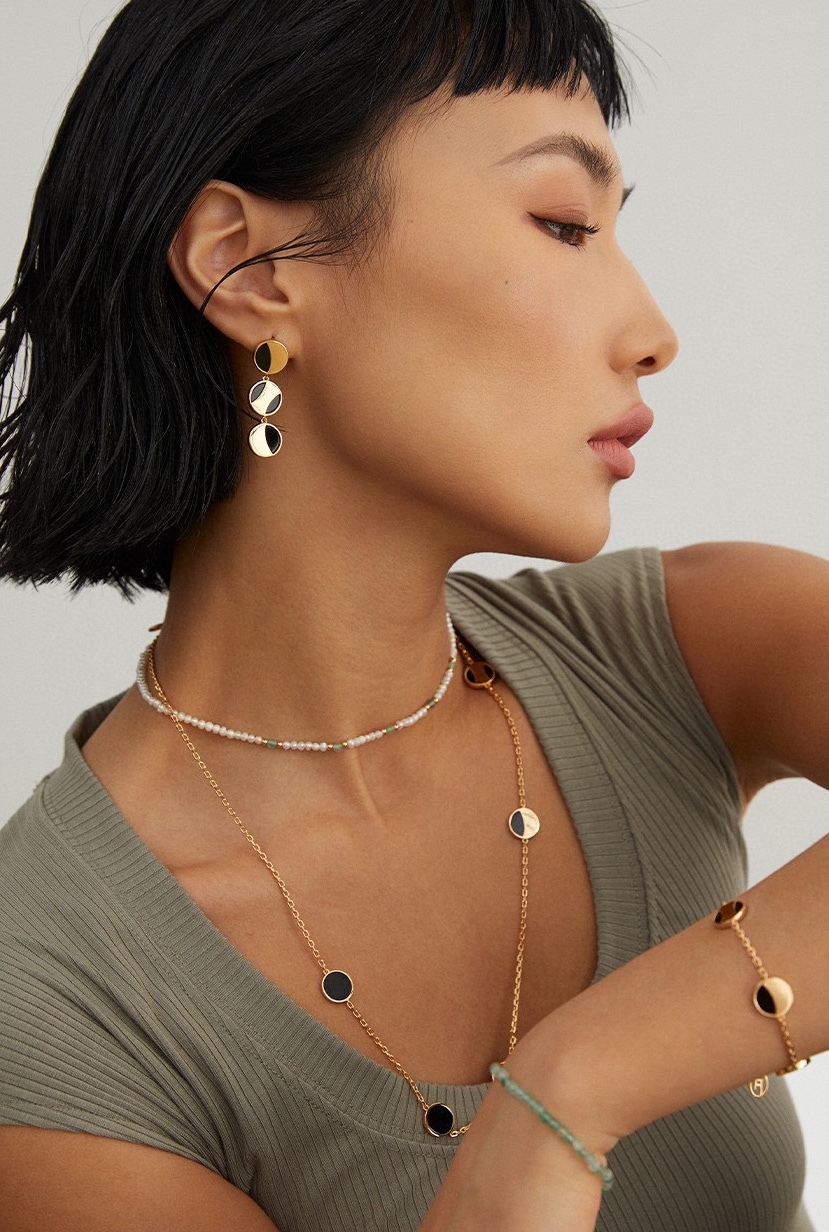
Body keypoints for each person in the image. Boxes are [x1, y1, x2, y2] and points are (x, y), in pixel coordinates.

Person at [0, 0, 827, 1229]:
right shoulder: (58, 1005)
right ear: (250, 266)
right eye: (564, 224)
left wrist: (576, 1079)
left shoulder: (686, 650)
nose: (652, 335)